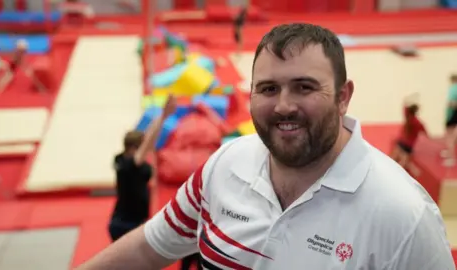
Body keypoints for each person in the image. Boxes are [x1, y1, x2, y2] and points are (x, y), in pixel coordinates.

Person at [76, 23, 455, 270]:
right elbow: (147, 249)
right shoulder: (225, 165)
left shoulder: (404, 217)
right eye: (268, 89)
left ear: (343, 97)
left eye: (304, 87)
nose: (284, 105)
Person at [109, 95, 176, 242]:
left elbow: (146, 139)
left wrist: (160, 118)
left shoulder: (123, 158)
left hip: (133, 221)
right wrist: (163, 117)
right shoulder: (128, 164)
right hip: (125, 225)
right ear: (133, 148)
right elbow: (146, 144)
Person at [390, 94, 427, 169]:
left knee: (392, 159)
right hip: (409, 146)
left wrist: (407, 99)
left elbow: (404, 106)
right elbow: (425, 133)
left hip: (401, 142)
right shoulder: (418, 123)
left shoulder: (408, 118)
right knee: (402, 164)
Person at [442, 74, 457, 167]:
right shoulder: (453, 89)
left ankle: (451, 158)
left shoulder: (453, 89)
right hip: (453, 114)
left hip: (452, 115)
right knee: (451, 136)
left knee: (450, 136)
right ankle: (449, 153)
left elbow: (452, 103)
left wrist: (450, 105)